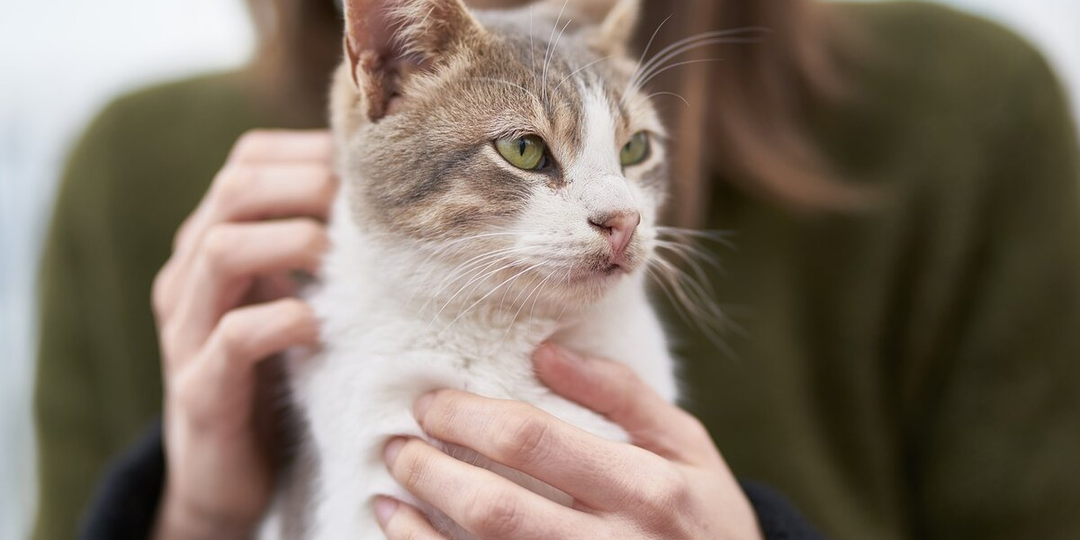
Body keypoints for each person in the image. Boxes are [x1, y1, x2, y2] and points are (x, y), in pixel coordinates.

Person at [33, 0, 1080, 539]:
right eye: (528, 151)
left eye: (635, 154)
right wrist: (192, 520)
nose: (623, 219)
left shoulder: (968, 110)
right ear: (384, 71)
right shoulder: (136, 166)